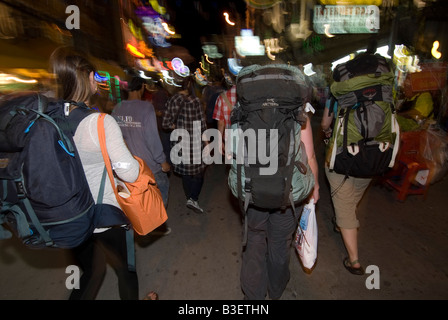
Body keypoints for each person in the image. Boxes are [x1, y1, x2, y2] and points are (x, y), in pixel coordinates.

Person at [49, 46, 155, 300]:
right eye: (94, 77)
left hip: (70, 215)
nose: (97, 82)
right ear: (85, 77)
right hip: (104, 214)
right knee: (125, 271)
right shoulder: (100, 122)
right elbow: (128, 173)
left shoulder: (50, 120)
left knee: (90, 273)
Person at [113, 76, 171, 235]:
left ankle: (138, 223)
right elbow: (152, 138)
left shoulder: (117, 109)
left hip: (127, 166)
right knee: (160, 193)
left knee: (136, 198)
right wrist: (162, 161)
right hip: (148, 166)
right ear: (142, 87)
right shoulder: (146, 108)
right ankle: (154, 224)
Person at [162, 76, 207, 214]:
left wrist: (175, 126)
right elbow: (202, 125)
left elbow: (165, 124)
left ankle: (189, 197)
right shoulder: (195, 101)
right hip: (194, 142)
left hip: (179, 142)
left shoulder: (172, 100)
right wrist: (207, 143)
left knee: (186, 172)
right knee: (199, 171)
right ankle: (193, 197)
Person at [212, 84, 236, 154]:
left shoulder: (222, 97)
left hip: (231, 140)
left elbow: (221, 123)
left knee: (233, 162)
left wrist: (219, 142)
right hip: (249, 137)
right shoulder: (251, 94)